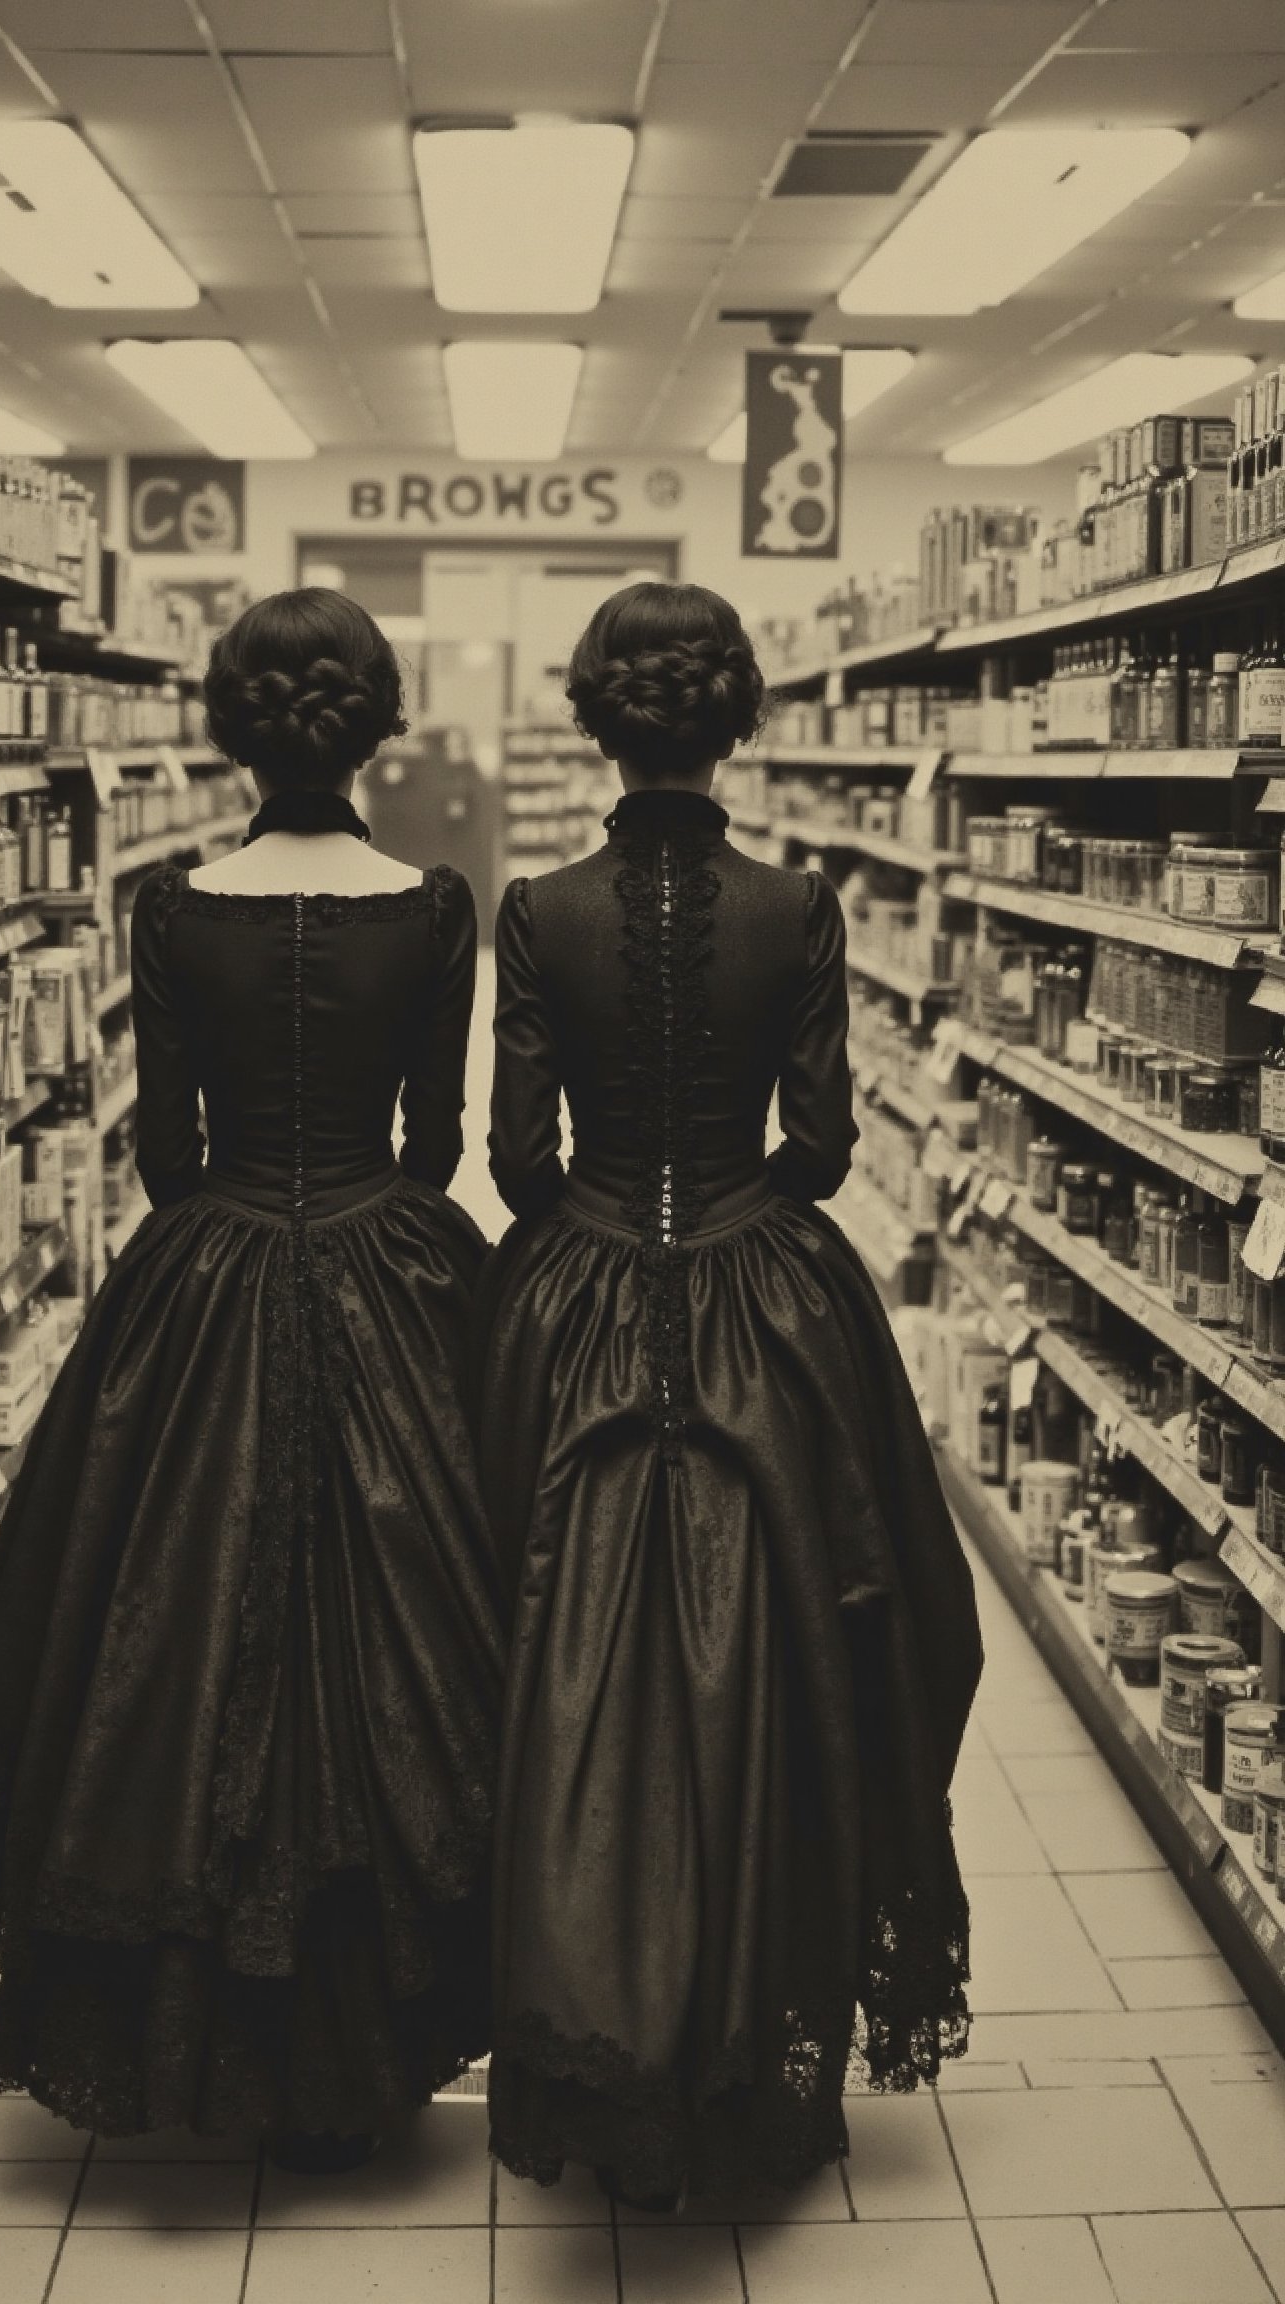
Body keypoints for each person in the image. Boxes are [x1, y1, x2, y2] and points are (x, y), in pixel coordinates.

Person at [0, 589, 505, 2161]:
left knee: (162, 1626)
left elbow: (168, 1157)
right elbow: (438, 1148)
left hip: (209, 1268)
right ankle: (381, 2023)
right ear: (376, 726)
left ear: (227, 729)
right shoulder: (435, 904)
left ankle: (189, 2009)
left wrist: (241, 1246)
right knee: (419, 1635)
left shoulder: (173, 907)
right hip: (397, 1262)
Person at [479, 582, 983, 2211]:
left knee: (556, 1661)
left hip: (583, 1294)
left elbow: (517, 1163)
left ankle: (587, 2011)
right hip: (779, 1313)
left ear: (597, 717)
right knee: (818, 1657)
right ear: (739, 714)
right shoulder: (806, 902)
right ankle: (766, 2027)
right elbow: (826, 1149)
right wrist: (730, 1222)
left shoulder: (539, 907)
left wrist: (608, 1249)